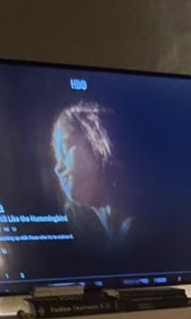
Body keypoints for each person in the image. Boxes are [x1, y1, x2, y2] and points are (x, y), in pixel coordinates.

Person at [52, 102, 134, 248]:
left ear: (97, 144)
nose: (58, 168)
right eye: (58, 156)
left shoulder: (146, 231)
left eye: (64, 149)